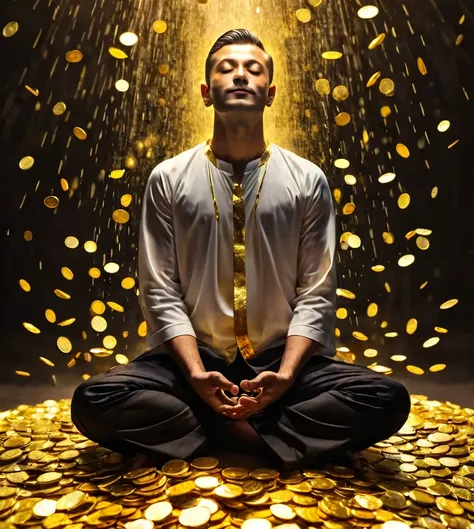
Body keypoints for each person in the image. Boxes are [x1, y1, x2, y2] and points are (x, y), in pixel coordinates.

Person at [70, 28, 411, 470]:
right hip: (193, 360)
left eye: (253, 70)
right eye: (226, 68)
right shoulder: (168, 178)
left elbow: (316, 292)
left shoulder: (307, 180)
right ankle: (259, 433)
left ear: (270, 93)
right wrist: (194, 375)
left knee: (386, 398)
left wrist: (286, 376)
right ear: (205, 91)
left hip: (281, 359)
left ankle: (210, 433)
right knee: (94, 400)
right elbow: (160, 290)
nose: (240, 76)